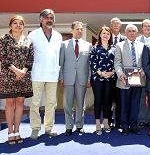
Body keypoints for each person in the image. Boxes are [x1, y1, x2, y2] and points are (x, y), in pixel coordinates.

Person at [28, 9, 63, 140]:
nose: (49, 20)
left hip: (53, 74)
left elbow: (60, 56)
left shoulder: (58, 36)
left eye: (51, 18)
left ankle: (49, 128)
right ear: (41, 20)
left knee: (51, 103)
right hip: (37, 74)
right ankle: (35, 128)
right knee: (35, 103)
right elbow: (27, 54)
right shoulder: (32, 35)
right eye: (47, 18)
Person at [0, 15, 33, 144]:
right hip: (9, 75)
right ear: (10, 25)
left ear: (23, 27)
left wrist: (23, 71)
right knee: (10, 103)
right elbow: (3, 57)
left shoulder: (28, 40)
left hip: (23, 77)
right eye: (15, 23)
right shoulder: (4, 39)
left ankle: (17, 131)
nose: (18, 25)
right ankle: (10, 131)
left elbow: (30, 58)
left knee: (20, 103)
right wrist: (16, 70)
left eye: (21, 23)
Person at [59, 21, 92, 136]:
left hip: (82, 78)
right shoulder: (64, 44)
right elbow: (61, 63)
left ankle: (79, 126)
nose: (79, 31)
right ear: (72, 30)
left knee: (80, 104)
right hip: (68, 78)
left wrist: (89, 79)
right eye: (77, 29)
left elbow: (89, 65)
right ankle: (68, 126)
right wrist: (61, 77)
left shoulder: (88, 45)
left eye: (81, 29)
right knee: (67, 104)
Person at [114, 24, 144, 135]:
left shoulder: (142, 45)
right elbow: (117, 62)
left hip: (137, 79)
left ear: (137, 33)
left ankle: (134, 125)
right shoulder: (119, 45)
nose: (132, 33)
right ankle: (125, 126)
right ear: (126, 33)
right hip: (124, 79)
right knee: (125, 104)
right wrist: (120, 74)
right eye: (129, 31)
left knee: (135, 104)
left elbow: (145, 62)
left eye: (134, 31)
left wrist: (143, 70)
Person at [89, 26, 116, 135]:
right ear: (100, 35)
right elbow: (92, 62)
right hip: (97, 78)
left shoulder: (114, 48)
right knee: (98, 100)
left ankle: (106, 122)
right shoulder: (94, 48)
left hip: (110, 78)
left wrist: (112, 72)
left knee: (107, 101)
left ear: (110, 36)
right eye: (104, 33)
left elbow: (117, 62)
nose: (105, 35)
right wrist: (101, 73)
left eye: (108, 34)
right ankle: (97, 124)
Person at [137, 19, 150, 128]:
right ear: (142, 28)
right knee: (141, 98)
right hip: (139, 74)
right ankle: (141, 119)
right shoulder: (137, 40)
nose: (147, 28)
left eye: (149, 26)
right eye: (145, 26)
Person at [110, 17, 126, 129]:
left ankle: (119, 121)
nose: (116, 25)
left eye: (118, 24)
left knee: (120, 100)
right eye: (114, 24)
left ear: (120, 26)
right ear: (111, 25)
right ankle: (109, 120)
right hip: (109, 75)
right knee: (109, 99)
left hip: (122, 75)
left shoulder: (125, 39)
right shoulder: (105, 37)